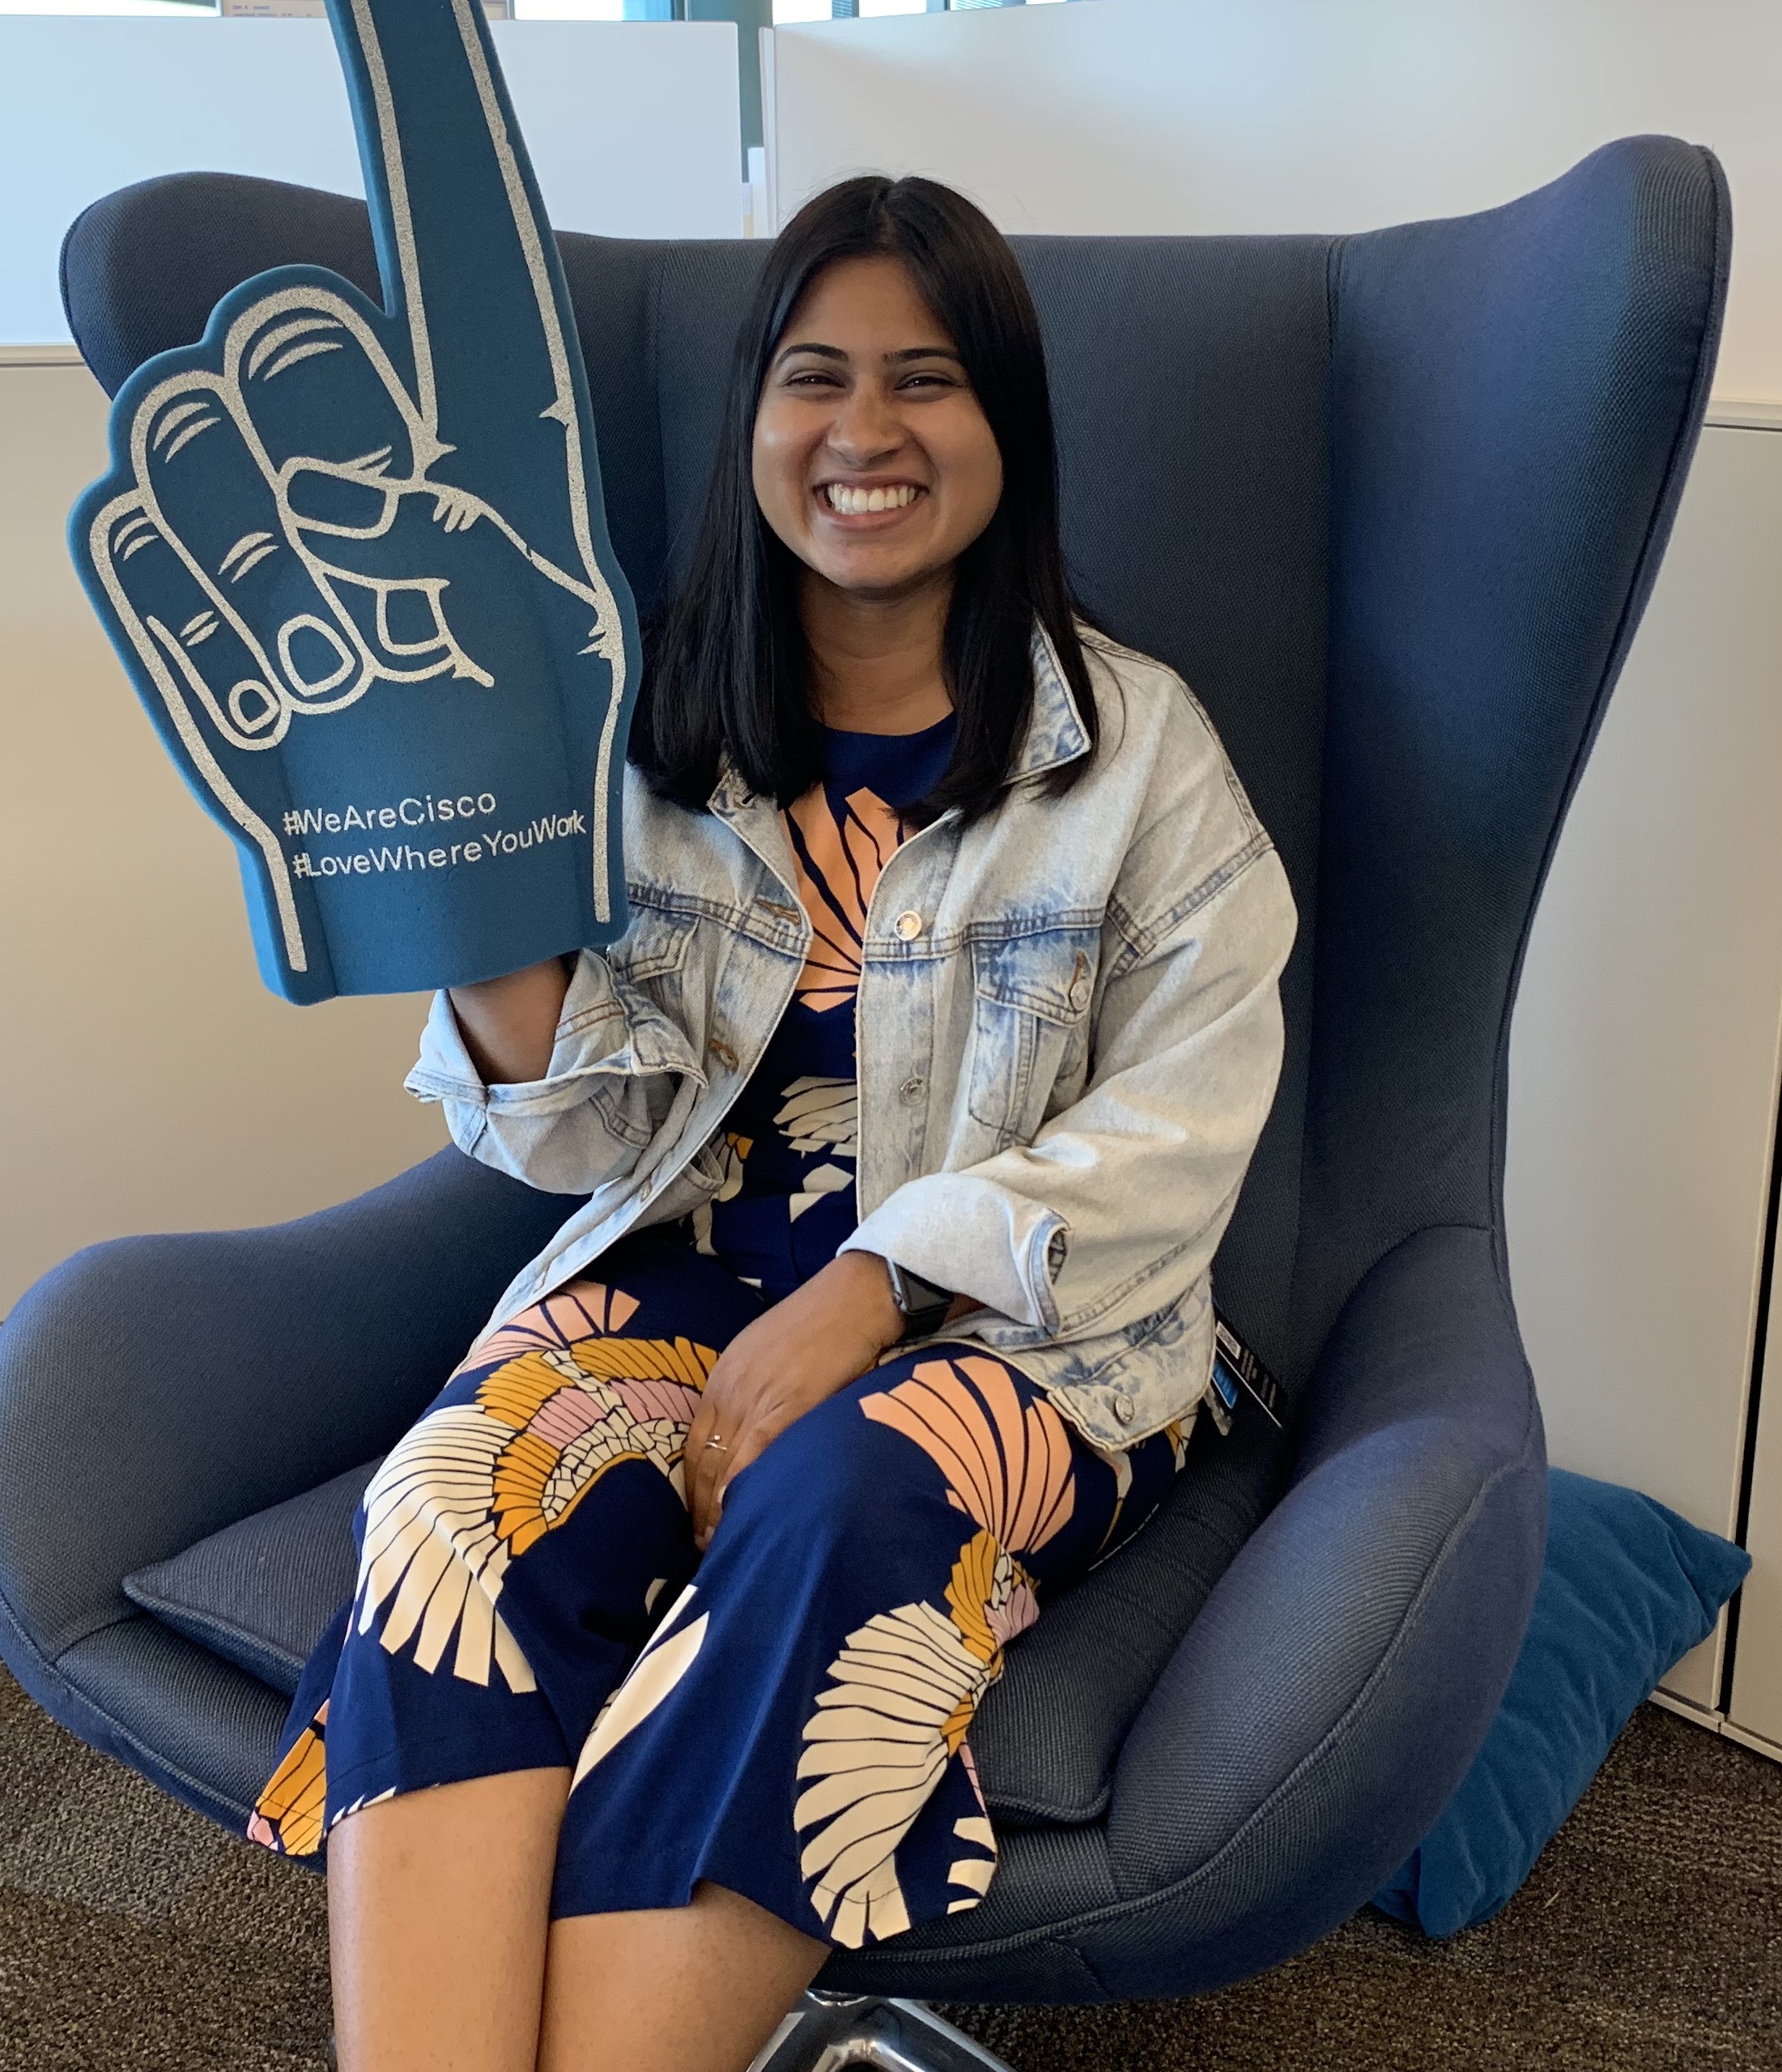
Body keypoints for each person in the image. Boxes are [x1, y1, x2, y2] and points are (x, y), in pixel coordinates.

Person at [247, 174, 1296, 2072]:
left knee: (839, 1507)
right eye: (816, 377)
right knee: (456, 1510)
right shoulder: (635, 732)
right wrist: (458, 889)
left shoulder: (1134, 748)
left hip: (1031, 1342)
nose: (866, 433)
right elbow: (578, 1140)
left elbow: (1184, 1124)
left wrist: (876, 1290)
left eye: (929, 380)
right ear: (753, 422)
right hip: (674, 1283)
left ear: (1006, 429)